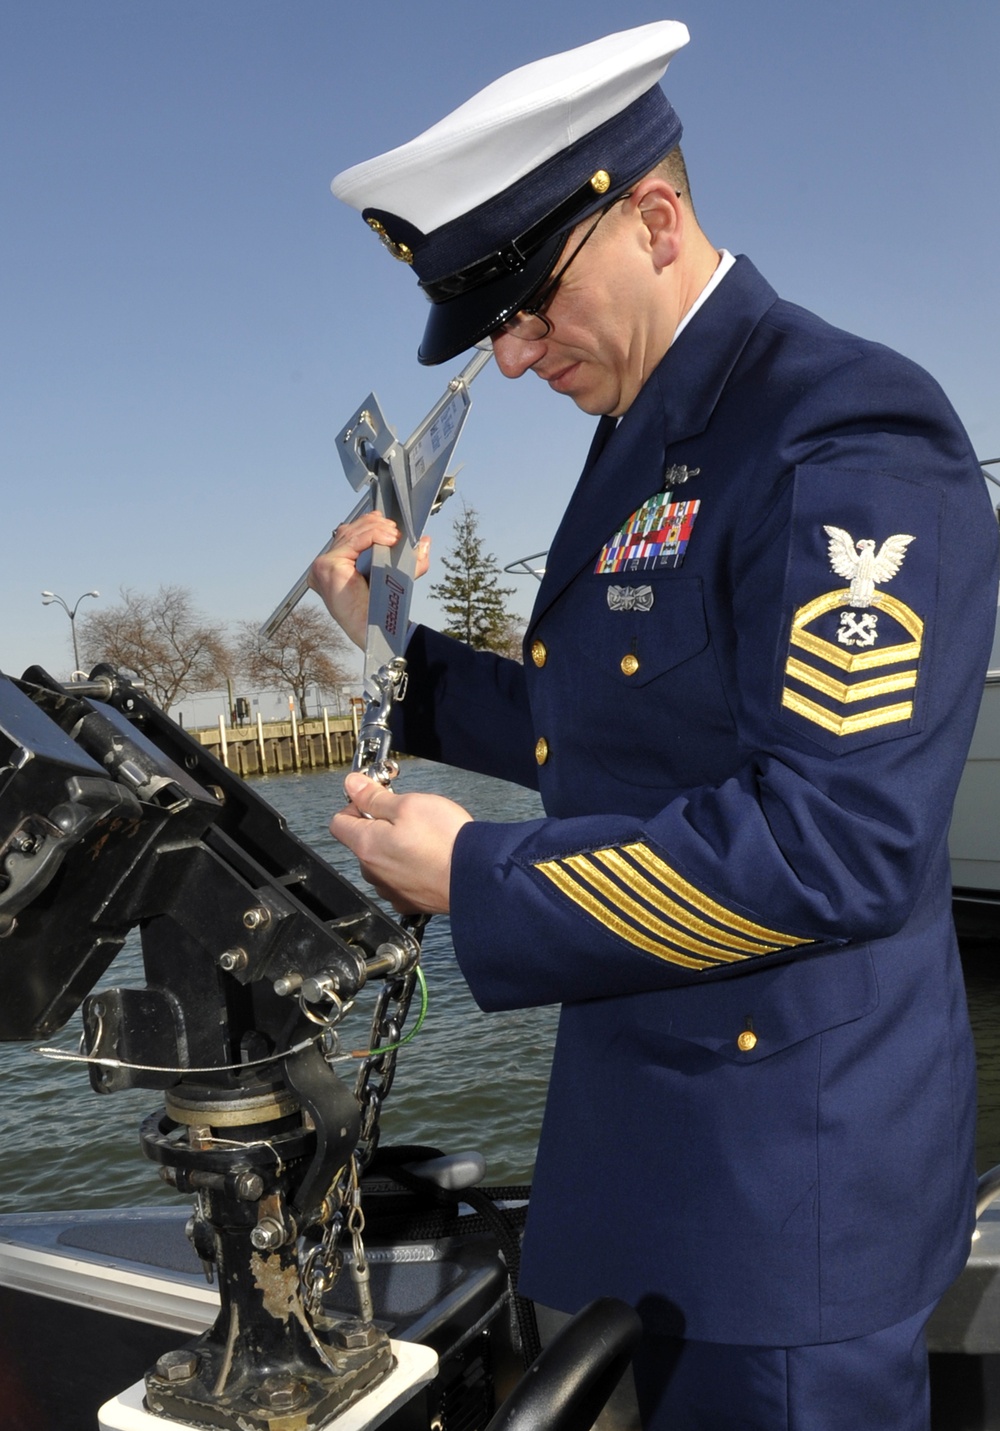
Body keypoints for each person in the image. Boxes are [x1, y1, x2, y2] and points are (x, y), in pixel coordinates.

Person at [311, 22, 999, 1430]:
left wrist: (481, 876)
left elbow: (840, 845)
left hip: (788, 1196)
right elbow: (606, 727)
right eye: (488, 325)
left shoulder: (840, 427)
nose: (510, 361)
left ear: (658, 217)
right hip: (649, 1148)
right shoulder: (648, 435)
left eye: (527, 306)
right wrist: (401, 649)